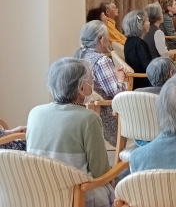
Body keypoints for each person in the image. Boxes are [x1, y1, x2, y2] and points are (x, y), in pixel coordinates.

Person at [27, 58, 114, 207]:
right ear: (82, 87)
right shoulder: (89, 118)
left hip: (40, 194)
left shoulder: (35, 113)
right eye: (92, 81)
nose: (93, 85)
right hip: (77, 196)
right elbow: (101, 172)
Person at [74, 20, 127, 146]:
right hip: (107, 114)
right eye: (107, 37)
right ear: (101, 40)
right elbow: (117, 94)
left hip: (84, 112)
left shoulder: (79, 56)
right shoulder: (102, 60)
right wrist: (120, 78)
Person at [123, 10, 153, 89]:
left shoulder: (129, 40)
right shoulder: (140, 43)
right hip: (144, 83)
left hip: (136, 81)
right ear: (140, 25)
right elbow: (149, 68)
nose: (149, 23)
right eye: (147, 21)